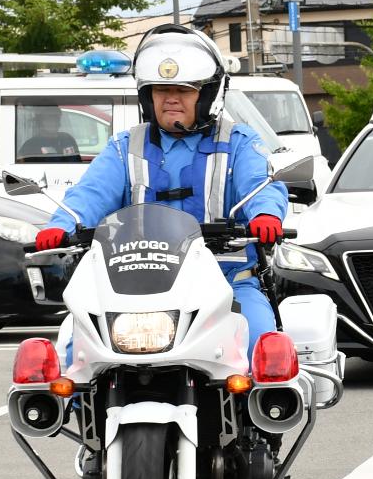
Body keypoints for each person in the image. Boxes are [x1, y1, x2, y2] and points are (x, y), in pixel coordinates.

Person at [32, 25, 288, 348]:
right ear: (147, 95)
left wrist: (265, 215)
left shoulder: (238, 142)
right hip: (138, 288)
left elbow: (261, 184)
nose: (170, 99)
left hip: (228, 282)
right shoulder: (125, 148)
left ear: (207, 94)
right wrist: (61, 224)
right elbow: (89, 194)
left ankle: (273, 401)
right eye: (160, 90)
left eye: (183, 90)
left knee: (264, 348)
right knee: (76, 356)